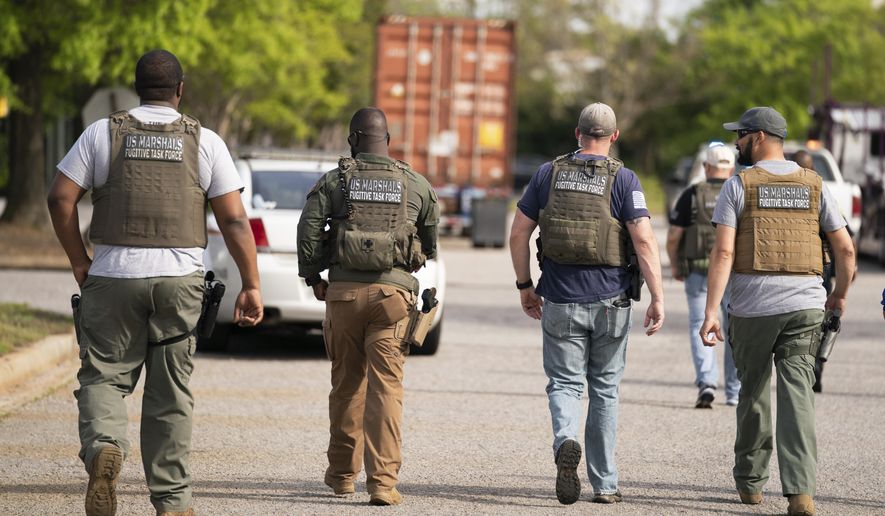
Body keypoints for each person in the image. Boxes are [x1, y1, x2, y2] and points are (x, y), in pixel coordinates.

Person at [47, 49, 263, 516]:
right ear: (180, 91)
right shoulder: (204, 141)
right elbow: (235, 222)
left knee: (104, 376)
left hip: (112, 277)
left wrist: (79, 261)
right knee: (169, 394)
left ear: (137, 88)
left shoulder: (101, 134)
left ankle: (105, 445)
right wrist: (251, 284)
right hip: (179, 282)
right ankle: (172, 501)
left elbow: (60, 199)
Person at [700, 107, 855, 516]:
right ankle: (801, 494)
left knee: (752, 392)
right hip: (806, 305)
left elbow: (725, 252)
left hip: (752, 308)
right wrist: (838, 296)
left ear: (760, 137)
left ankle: (751, 486)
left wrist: (712, 309)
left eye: (742, 135)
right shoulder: (815, 185)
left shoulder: (739, 186)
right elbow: (845, 249)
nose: (736, 143)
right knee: (798, 394)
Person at [509, 102, 665, 505]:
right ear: (614, 137)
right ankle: (605, 484)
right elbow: (644, 240)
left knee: (563, 383)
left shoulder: (548, 174)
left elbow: (518, 234)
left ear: (576, 134)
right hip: (611, 301)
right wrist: (658, 297)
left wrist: (525, 285)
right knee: (605, 390)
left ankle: (565, 441)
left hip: (559, 297)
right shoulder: (624, 179)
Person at [296, 107, 439, 506]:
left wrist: (314, 277)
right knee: (386, 389)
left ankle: (342, 476)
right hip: (393, 300)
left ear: (353, 140)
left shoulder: (335, 181)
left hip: (342, 296)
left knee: (346, 384)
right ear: (388, 140)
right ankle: (382, 484)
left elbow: (308, 231)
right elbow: (429, 242)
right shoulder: (415, 184)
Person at [666, 143, 740, 408]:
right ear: (730, 167)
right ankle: (734, 391)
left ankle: (707, 382)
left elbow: (674, 236)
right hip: (733, 274)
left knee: (700, 323)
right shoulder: (740, 191)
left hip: (698, 272)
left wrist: (675, 265)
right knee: (734, 330)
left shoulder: (692, 194)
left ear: (706, 167)